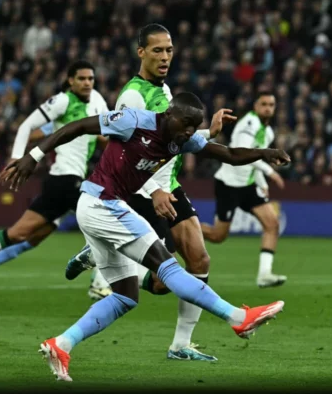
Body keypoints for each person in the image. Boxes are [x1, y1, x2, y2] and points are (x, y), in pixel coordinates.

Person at [0, 93, 290, 382]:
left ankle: (60, 344)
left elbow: (228, 154)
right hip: (103, 203)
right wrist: (33, 157)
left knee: (125, 296)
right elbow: (75, 127)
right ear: (169, 114)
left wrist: (264, 153)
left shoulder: (181, 139)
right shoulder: (133, 120)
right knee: (168, 266)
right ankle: (238, 319)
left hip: (101, 208)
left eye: (194, 125)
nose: (189, 131)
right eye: (185, 123)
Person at [65, 24, 224, 361]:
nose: (165, 56)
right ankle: (99, 251)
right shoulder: (133, 96)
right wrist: (153, 190)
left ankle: (180, 345)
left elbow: (174, 138)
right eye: (157, 50)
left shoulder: (166, 93)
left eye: (168, 50)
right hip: (143, 188)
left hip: (170, 186)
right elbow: (127, 149)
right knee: (163, 277)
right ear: (141, 53)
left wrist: (209, 132)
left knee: (198, 259)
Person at [0, 60, 113, 300]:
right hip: (64, 179)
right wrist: (17, 158)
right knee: (106, 220)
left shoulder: (98, 101)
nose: (87, 83)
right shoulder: (62, 101)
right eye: (81, 78)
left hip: (66, 181)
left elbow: (103, 136)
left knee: (22, 235)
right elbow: (26, 126)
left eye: (90, 79)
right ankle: (99, 284)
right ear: (71, 80)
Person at [201, 92, 287, 288]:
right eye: (263, 104)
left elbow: (254, 158)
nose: (267, 108)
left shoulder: (269, 132)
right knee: (217, 236)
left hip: (248, 185)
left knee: (272, 224)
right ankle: (180, 228)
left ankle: (264, 274)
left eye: (271, 105)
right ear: (255, 106)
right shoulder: (249, 124)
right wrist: (270, 172)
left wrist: (262, 183)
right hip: (229, 184)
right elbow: (241, 153)